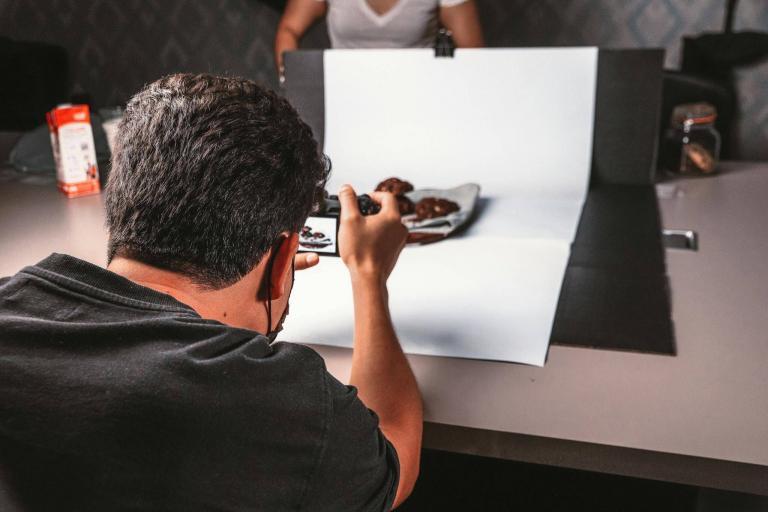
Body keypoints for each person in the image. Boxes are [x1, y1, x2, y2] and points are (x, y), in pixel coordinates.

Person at [0, 73, 423, 511]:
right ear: (283, 261)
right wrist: (369, 275)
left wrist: (263, 272)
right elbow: (396, 454)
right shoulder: (281, 404)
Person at [274, 0, 484, 76]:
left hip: (418, 91)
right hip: (346, 89)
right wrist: (294, 80)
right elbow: (290, 30)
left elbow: (474, 54)